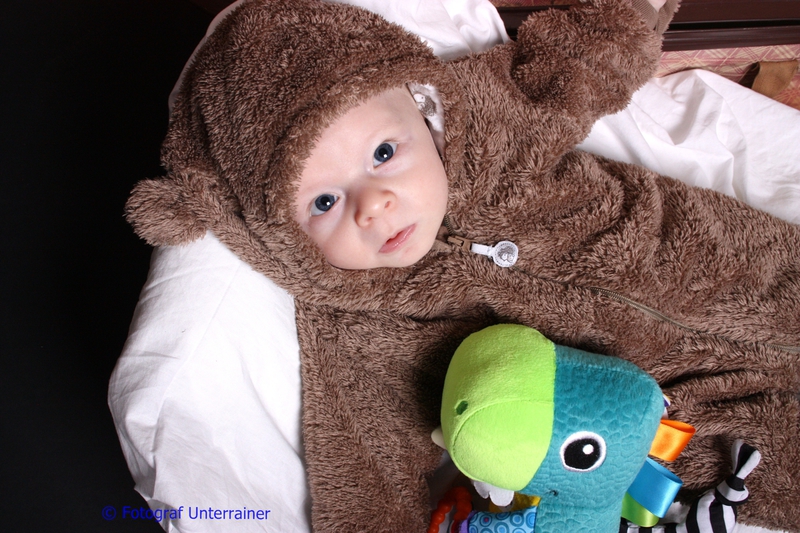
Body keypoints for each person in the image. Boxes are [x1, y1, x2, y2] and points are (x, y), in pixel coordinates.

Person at [125, 0, 800, 531]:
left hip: (742, 267)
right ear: (284, 236)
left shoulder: (490, 124)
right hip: (673, 418)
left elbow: (572, 70)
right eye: (325, 201)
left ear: (424, 112)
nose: (374, 204)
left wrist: (632, 12)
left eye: (384, 154)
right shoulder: (356, 332)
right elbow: (366, 469)